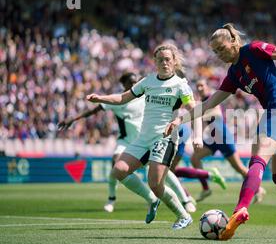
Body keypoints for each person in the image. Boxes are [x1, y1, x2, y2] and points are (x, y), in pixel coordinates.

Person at [165, 23, 276, 240]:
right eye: (215, 51)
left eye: (221, 48)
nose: (219, 54)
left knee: (257, 161)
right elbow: (209, 103)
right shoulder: (233, 74)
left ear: (233, 42)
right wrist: (179, 119)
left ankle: (240, 209)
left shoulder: (254, 49)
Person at [87, 43, 202, 229]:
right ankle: (152, 200)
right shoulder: (147, 81)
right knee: (119, 170)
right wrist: (100, 97)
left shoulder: (180, 85)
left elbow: (195, 110)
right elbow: (123, 98)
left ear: (174, 62)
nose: (164, 63)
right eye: (161, 59)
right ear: (155, 62)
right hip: (143, 139)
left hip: (165, 139)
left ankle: (183, 215)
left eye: (168, 59)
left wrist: (198, 136)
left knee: (156, 184)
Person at [58, 73, 197, 214]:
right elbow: (94, 110)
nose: (133, 84)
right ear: (123, 85)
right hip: (126, 141)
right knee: (116, 166)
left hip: (147, 139)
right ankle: (112, 199)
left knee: (162, 174)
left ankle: (185, 200)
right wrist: (74, 119)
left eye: (135, 82)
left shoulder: (146, 95)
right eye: (130, 82)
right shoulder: (120, 100)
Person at [175, 78, 266, 203]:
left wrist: (195, 116)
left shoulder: (212, 98)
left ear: (207, 87)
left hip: (223, 138)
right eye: (198, 86)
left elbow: (214, 114)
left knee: (239, 168)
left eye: (202, 85)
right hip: (212, 140)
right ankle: (206, 188)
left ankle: (258, 188)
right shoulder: (201, 102)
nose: (200, 88)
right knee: (194, 158)